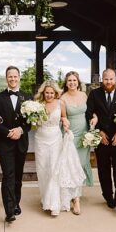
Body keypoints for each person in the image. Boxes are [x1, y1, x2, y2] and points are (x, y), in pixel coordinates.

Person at [32, 81, 86, 216]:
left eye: (51, 92)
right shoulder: (37, 105)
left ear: (55, 93)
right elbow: (33, 123)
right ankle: (46, 198)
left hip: (55, 139)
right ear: (43, 93)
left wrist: (66, 125)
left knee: (54, 170)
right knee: (43, 169)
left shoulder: (60, 103)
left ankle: (54, 204)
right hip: (40, 140)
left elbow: (64, 118)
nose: (49, 95)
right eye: (47, 92)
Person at [86, 68, 116, 213]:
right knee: (103, 169)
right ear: (102, 79)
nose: (108, 82)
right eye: (106, 79)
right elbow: (89, 113)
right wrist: (98, 132)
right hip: (102, 139)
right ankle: (108, 197)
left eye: (111, 79)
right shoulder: (94, 94)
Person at [0, 66, 30, 223]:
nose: (13, 79)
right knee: (8, 175)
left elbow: (31, 121)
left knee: (18, 176)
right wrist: (8, 132)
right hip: (4, 143)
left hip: (21, 142)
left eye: (15, 76)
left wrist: (20, 129)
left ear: (19, 77)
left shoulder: (27, 97)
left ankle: (16, 202)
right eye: (10, 76)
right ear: (6, 78)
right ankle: (9, 210)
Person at [61, 71, 95, 193]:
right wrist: (64, 123)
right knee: (72, 164)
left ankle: (76, 193)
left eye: (74, 80)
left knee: (81, 163)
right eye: (69, 80)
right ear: (66, 83)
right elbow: (63, 117)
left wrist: (94, 117)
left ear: (78, 82)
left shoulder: (84, 95)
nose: (72, 82)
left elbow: (90, 112)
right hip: (71, 135)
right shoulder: (63, 98)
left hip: (84, 135)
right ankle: (75, 197)